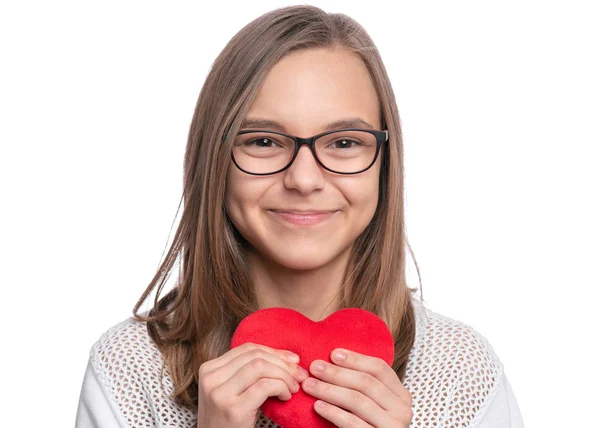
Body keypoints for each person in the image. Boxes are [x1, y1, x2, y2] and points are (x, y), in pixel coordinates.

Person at [75, 5, 524, 427]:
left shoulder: (460, 372)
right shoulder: (129, 369)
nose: (304, 179)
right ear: (214, 160)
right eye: (264, 141)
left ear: (385, 165)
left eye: (344, 143)